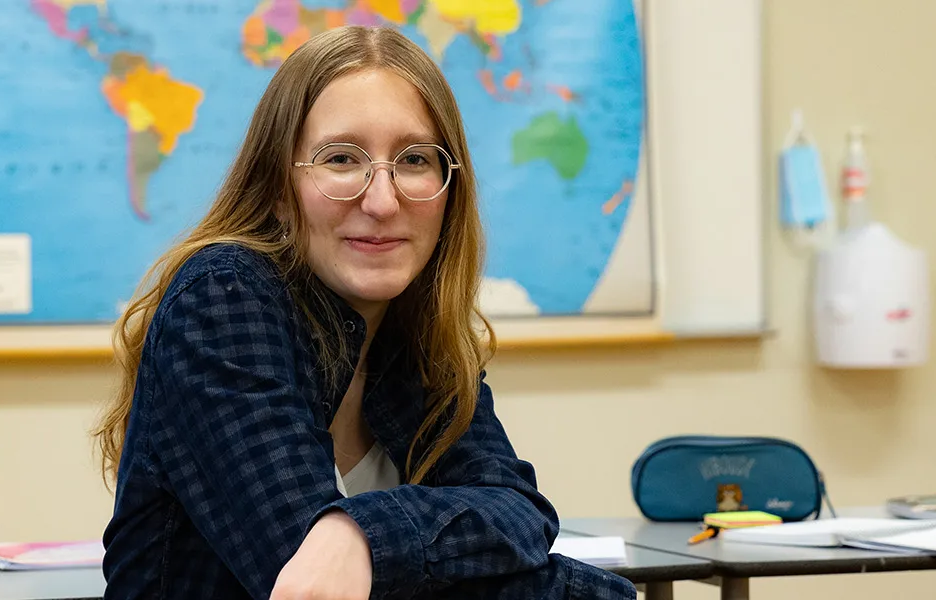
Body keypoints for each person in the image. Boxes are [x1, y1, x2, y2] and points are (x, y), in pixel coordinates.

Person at [91, 25, 636, 600]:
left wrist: (359, 538)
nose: (381, 200)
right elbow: (309, 582)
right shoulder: (222, 298)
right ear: (278, 186)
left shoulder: (416, 334)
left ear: (449, 188)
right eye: (342, 158)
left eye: (415, 160)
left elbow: (518, 511)